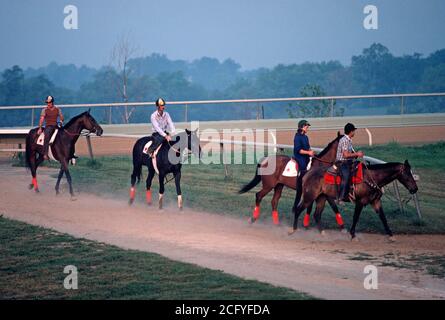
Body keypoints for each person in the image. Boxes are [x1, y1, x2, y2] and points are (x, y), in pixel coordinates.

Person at [336, 123, 364, 204]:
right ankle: (340, 198)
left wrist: (356, 154)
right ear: (351, 131)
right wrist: (357, 154)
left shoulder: (348, 140)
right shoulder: (344, 141)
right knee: (346, 176)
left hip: (348, 161)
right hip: (342, 162)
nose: (354, 133)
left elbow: (350, 154)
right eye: (354, 131)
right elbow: (345, 155)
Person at [293, 119, 315, 206]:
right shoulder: (297, 137)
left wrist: (312, 153)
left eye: (308, 126)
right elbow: (298, 150)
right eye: (306, 126)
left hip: (306, 156)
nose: (308, 127)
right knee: (303, 168)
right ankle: (300, 186)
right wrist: (308, 153)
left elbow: (308, 148)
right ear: (302, 127)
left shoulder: (306, 137)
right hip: (299, 157)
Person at [37, 95, 64, 160]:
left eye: (49, 103)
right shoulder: (44, 110)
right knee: (47, 135)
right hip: (48, 126)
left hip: (56, 125)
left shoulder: (58, 109)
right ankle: (45, 154)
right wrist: (40, 128)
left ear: (52, 102)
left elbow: (62, 117)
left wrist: (61, 121)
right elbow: (41, 119)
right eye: (47, 103)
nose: (48, 104)